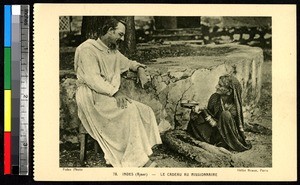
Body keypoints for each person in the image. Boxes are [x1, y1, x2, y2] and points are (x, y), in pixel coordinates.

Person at [74, 18, 162, 167]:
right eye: (120, 34)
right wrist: (115, 92)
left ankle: (140, 152)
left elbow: (128, 63)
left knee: (145, 110)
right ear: (109, 31)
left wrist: (139, 69)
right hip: (91, 96)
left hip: (107, 95)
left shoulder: (112, 50)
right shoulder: (87, 49)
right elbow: (93, 79)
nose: (121, 39)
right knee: (130, 110)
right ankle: (136, 161)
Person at [187, 75, 252, 152]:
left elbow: (220, 125)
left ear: (229, 91)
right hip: (214, 130)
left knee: (226, 115)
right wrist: (200, 110)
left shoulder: (233, 108)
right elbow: (210, 114)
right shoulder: (215, 97)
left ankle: (225, 144)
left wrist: (205, 113)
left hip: (226, 134)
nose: (216, 87)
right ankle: (211, 139)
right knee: (197, 116)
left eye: (220, 85)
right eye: (218, 84)